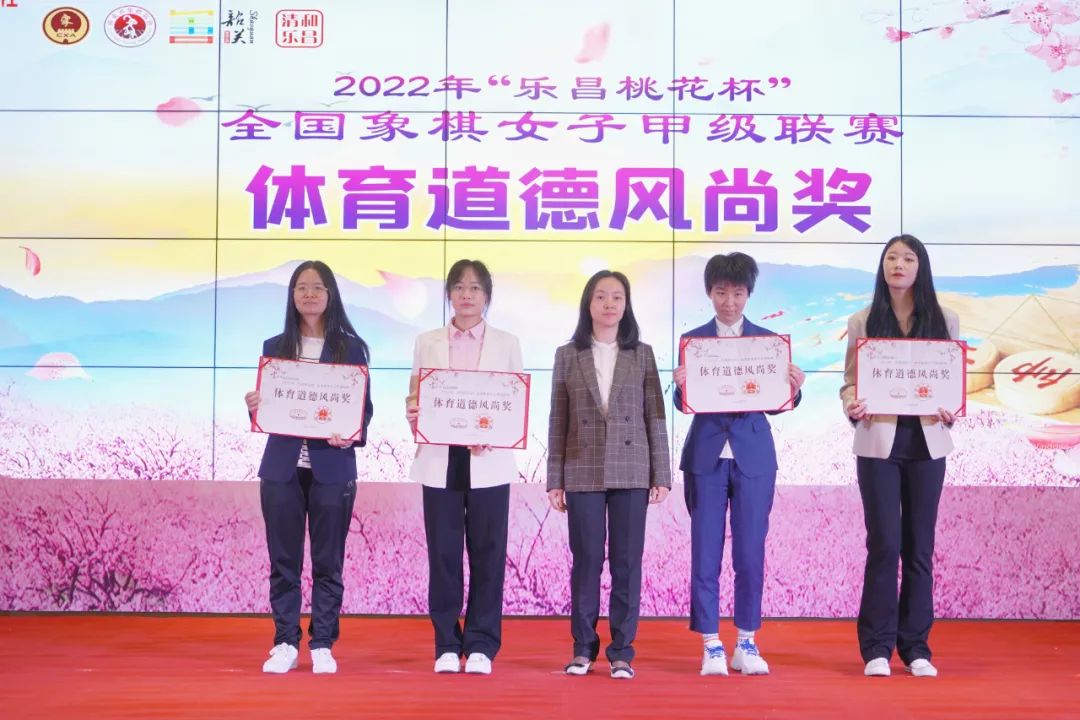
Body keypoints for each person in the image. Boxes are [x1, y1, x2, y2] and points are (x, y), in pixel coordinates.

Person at [673, 252, 806, 677]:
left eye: (737, 293)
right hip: (706, 456)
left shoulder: (768, 343)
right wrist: (679, 387)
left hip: (753, 456)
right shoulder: (693, 341)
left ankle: (746, 640)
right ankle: (710, 643)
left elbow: (778, 403)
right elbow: (684, 403)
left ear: (749, 294)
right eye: (720, 292)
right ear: (709, 293)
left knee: (750, 553)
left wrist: (794, 389)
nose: (728, 301)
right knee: (705, 553)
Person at [244, 260, 374, 674]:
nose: (310, 294)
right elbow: (269, 408)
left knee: (327, 562)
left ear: (331, 294)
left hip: (332, 466)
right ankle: (285, 641)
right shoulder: (275, 346)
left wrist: (351, 432)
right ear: (292, 295)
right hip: (282, 467)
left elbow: (364, 409)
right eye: (302, 287)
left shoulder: (351, 348)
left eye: (318, 287)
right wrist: (255, 406)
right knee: (283, 561)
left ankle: (322, 643)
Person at [840, 234, 959, 678]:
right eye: (891, 257)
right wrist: (852, 404)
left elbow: (952, 382)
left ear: (920, 267)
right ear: (882, 266)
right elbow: (849, 382)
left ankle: (916, 647)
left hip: (927, 444)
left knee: (919, 547)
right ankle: (876, 647)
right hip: (878, 444)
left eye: (908, 258)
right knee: (884, 543)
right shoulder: (863, 319)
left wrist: (952, 408)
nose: (899, 264)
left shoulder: (945, 318)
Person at [546, 270, 672, 680]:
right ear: (588, 303)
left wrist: (661, 473)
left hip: (632, 469)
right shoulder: (568, 354)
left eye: (617, 297)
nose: (609, 304)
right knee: (586, 561)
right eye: (601, 296)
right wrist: (554, 478)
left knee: (626, 563)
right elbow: (558, 419)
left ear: (626, 304)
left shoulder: (642, 354)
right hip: (581, 468)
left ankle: (622, 652)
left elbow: (655, 416)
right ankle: (583, 649)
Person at [405, 259, 523, 676]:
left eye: (475, 287)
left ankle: (481, 644)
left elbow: (513, 401)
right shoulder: (428, 341)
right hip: (441, 458)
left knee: (488, 554)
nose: (466, 294)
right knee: (443, 554)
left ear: (487, 295)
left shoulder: (507, 343)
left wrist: (494, 431)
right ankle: (445, 643)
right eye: (459, 287)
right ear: (449, 294)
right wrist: (415, 413)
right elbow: (415, 395)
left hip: (489, 460)